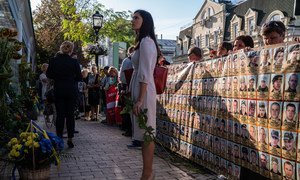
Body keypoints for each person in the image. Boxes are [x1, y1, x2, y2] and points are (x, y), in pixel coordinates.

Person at [130, 9, 159, 180]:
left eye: (136, 17)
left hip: (144, 92)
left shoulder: (147, 43)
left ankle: (148, 173)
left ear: (145, 21)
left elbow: (146, 73)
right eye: (132, 17)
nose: (132, 20)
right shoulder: (142, 42)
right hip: (139, 89)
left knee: (147, 132)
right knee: (143, 132)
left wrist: (140, 99)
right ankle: (147, 172)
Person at [46, 41, 82, 148]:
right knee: (70, 115)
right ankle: (70, 138)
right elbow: (79, 77)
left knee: (60, 114)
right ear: (71, 50)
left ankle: (59, 138)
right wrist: (71, 79)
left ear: (61, 48)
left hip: (59, 89)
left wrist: (58, 78)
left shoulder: (53, 61)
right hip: (71, 90)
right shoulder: (74, 62)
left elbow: (49, 74)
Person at [119, 46, 135, 136]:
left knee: (128, 109)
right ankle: (128, 129)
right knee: (127, 108)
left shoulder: (128, 61)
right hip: (127, 87)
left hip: (128, 86)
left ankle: (128, 129)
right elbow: (123, 76)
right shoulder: (127, 61)